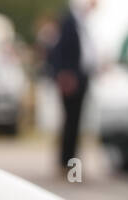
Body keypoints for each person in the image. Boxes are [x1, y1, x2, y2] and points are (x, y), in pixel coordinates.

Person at [46, 0, 97, 170]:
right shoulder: (69, 21)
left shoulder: (81, 23)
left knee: (74, 123)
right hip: (71, 79)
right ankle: (67, 163)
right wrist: (65, 74)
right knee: (71, 122)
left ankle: (70, 162)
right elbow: (59, 50)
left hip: (81, 77)